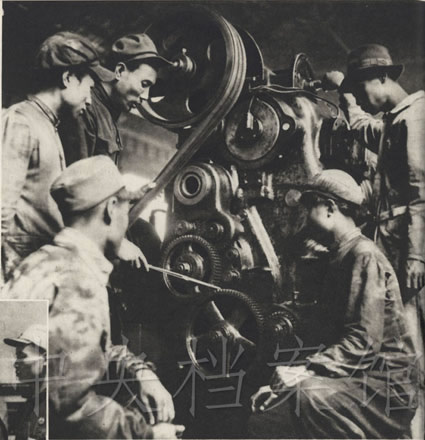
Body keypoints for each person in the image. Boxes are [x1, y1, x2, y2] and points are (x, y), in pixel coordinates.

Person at [2, 156, 184, 439]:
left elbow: (74, 349)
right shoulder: (79, 280)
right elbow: (71, 407)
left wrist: (138, 371)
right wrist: (147, 435)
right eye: (126, 207)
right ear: (111, 209)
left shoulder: (40, 262)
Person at [247, 169, 418, 439]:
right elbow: (329, 339)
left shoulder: (363, 255)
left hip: (385, 386)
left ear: (329, 208)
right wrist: (286, 381)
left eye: (309, 207)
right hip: (355, 377)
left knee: (309, 396)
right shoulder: (340, 257)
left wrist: (304, 372)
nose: (304, 218)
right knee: (267, 417)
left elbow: (363, 342)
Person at [1, 31, 115, 283]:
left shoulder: (47, 124)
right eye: (88, 87)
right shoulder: (21, 121)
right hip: (16, 272)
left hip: (33, 270)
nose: (90, 98)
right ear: (68, 78)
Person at [322, 44, 425, 301]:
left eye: (360, 89)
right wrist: (345, 91)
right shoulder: (395, 122)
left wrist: (417, 255)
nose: (359, 98)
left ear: (382, 77)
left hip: (408, 248)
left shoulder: (416, 118)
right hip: (393, 241)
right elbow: (362, 127)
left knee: (411, 320)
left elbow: (421, 192)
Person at [60, 32, 171, 165]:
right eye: (144, 84)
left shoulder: (107, 113)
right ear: (120, 71)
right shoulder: (86, 108)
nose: (145, 96)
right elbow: (75, 173)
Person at [4, 324, 48, 440]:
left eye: (22, 356)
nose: (16, 364)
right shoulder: (28, 407)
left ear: (46, 359)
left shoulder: (55, 407)